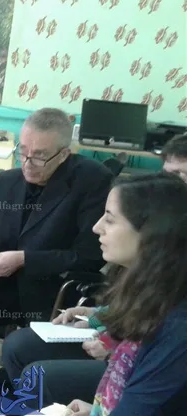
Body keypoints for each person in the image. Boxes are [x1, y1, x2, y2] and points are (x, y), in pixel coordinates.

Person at [0, 108, 113, 375]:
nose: (27, 163)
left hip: (52, 287)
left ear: (63, 154)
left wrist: (24, 259)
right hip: (10, 280)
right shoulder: (8, 181)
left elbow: (89, 256)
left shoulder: (91, 181)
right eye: (22, 152)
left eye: (39, 156)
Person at [54, 173, 187, 415]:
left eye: (110, 219)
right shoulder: (151, 291)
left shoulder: (177, 327)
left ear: (152, 233)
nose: (96, 228)